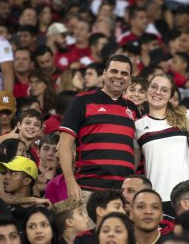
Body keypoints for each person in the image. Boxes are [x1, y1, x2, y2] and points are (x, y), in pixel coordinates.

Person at [135, 73, 189, 217]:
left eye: (164, 90)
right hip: (156, 197)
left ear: (171, 95)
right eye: (154, 87)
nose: (157, 92)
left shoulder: (184, 115)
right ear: (148, 90)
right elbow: (135, 164)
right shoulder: (138, 125)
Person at [59, 54, 138, 202]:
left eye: (124, 73)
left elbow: (135, 148)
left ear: (130, 79)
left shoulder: (133, 109)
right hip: (88, 189)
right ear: (104, 74)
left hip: (121, 194)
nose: (119, 76)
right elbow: (64, 145)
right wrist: (70, 182)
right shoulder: (82, 101)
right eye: (114, 71)